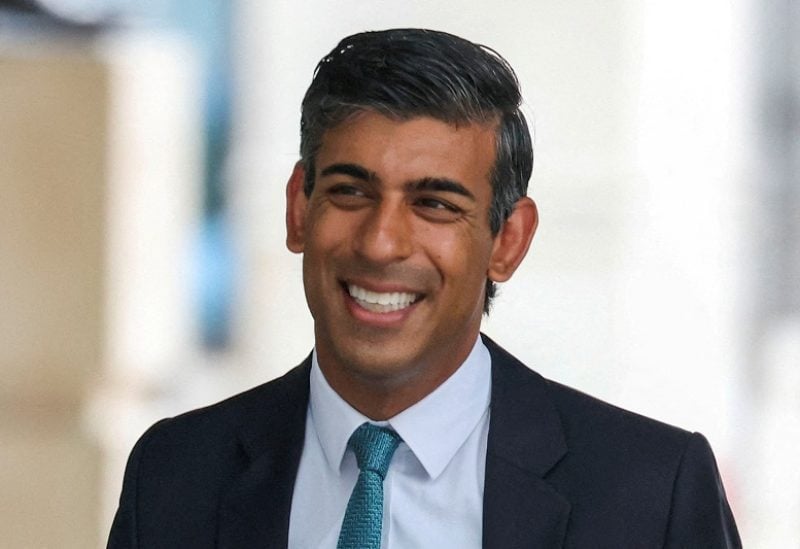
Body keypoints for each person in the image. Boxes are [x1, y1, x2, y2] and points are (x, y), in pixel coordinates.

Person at [107, 28, 741, 548]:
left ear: (508, 241)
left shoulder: (651, 494)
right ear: (299, 209)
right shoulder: (176, 475)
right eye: (350, 192)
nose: (381, 243)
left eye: (434, 204)